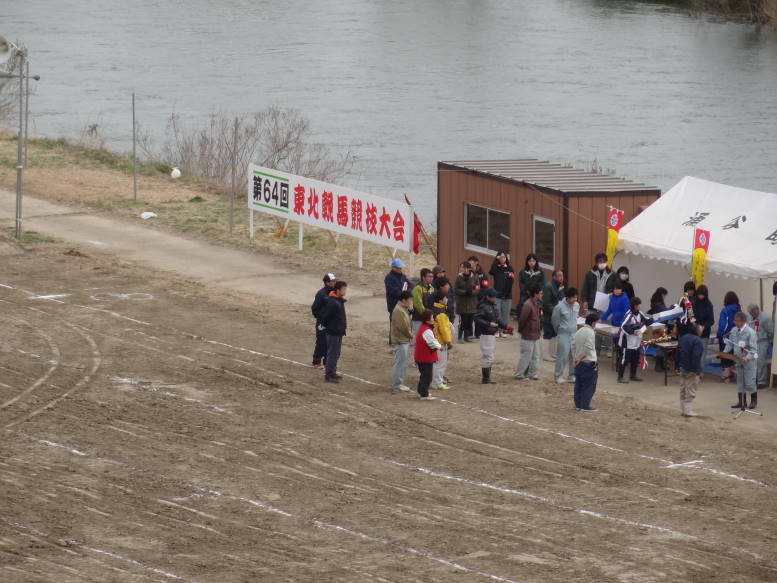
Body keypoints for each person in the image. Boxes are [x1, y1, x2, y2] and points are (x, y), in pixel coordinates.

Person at [580, 252, 616, 356]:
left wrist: (611, 295)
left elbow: (615, 289)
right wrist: (585, 300)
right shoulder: (590, 274)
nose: (602, 263)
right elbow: (585, 289)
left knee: (607, 328)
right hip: (592, 305)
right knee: (593, 329)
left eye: (604, 261)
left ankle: (609, 349)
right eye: (600, 262)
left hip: (606, 306)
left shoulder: (612, 274)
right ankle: (596, 348)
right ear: (596, 263)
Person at [725, 311, 759, 409]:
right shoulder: (734, 330)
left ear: (743, 321)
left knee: (749, 381)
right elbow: (730, 343)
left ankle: (753, 401)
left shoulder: (750, 332)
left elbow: (753, 350)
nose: (735, 322)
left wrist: (747, 358)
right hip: (738, 360)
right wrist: (724, 352)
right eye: (735, 320)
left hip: (749, 362)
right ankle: (741, 401)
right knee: (740, 381)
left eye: (737, 321)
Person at [474, 288, 506, 384]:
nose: (495, 298)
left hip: (491, 334)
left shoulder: (492, 306)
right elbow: (477, 318)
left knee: (489, 355)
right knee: (488, 355)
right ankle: (486, 378)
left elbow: (497, 319)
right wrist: (488, 324)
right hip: (486, 334)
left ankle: (487, 378)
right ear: (487, 296)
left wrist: (505, 326)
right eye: (493, 297)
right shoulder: (483, 306)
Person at [319, 281, 348, 383]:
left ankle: (332, 372)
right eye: (343, 289)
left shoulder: (338, 301)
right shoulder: (333, 302)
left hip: (338, 331)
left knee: (336, 353)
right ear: (338, 290)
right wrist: (329, 327)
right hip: (333, 332)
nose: (345, 291)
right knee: (332, 354)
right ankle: (329, 375)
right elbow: (326, 316)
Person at [617, 296, 650, 383]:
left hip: (636, 342)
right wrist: (632, 332)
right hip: (626, 341)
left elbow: (646, 320)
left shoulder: (639, 313)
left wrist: (656, 318)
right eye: (639, 305)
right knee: (624, 359)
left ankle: (633, 375)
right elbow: (623, 326)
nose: (640, 306)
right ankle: (620, 377)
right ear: (635, 305)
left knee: (635, 359)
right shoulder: (629, 314)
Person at [572, 313, 600, 412]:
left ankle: (578, 404)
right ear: (593, 323)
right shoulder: (590, 333)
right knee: (589, 385)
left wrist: (575, 359)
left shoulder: (579, 331)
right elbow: (588, 348)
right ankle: (584, 405)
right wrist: (579, 358)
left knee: (578, 384)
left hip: (579, 363)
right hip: (588, 362)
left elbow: (573, 345)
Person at [515, 284, 543, 380]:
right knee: (526, 355)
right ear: (535, 294)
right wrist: (521, 332)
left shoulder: (536, 304)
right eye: (540, 293)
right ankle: (519, 374)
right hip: (528, 334)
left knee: (535, 356)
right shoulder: (528, 304)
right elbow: (522, 320)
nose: (541, 295)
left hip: (535, 334)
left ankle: (531, 373)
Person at [552, 287, 579, 384]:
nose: (575, 300)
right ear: (568, 297)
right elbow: (555, 321)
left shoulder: (576, 305)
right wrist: (560, 330)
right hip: (563, 334)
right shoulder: (559, 307)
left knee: (574, 355)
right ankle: (558, 376)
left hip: (574, 334)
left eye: (576, 298)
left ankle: (572, 375)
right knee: (562, 355)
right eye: (573, 298)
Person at [389, 291, 414, 393]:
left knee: (403, 363)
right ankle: (397, 384)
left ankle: (400, 383)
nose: (411, 302)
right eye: (409, 300)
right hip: (401, 340)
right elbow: (403, 327)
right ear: (404, 300)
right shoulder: (399, 310)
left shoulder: (403, 309)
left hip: (404, 340)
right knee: (400, 363)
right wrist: (411, 335)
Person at [677, 324, 704, 417]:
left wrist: (677, 366)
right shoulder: (698, 341)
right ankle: (687, 411)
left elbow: (678, 352)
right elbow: (696, 356)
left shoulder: (683, 337)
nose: (702, 331)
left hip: (682, 367)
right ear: (697, 331)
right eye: (701, 330)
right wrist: (695, 370)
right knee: (690, 390)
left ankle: (683, 410)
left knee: (683, 389)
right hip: (691, 369)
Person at [414, 309, 441, 400]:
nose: (433, 319)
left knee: (424, 375)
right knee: (427, 375)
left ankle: (420, 391)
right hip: (425, 357)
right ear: (427, 319)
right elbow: (433, 344)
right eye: (432, 318)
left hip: (421, 356)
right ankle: (424, 394)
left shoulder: (423, 328)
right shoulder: (427, 330)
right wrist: (440, 346)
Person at [311, 273, 336, 369]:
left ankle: (327, 362)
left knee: (330, 342)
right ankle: (316, 361)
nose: (334, 283)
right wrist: (321, 319)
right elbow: (315, 308)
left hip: (332, 322)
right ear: (327, 282)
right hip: (322, 322)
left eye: (334, 281)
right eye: (332, 281)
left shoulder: (335, 292)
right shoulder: (321, 294)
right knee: (321, 341)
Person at [489, 251, 515, 337]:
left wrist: (505, 293)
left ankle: (504, 331)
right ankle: (496, 330)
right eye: (500, 257)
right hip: (497, 295)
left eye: (504, 257)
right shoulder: (496, 268)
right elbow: (491, 271)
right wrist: (496, 261)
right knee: (497, 314)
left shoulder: (510, 268)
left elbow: (511, 282)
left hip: (507, 295)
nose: (502, 259)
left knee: (505, 314)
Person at [431, 291, 454, 390]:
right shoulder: (441, 313)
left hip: (436, 340)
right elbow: (444, 329)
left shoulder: (436, 310)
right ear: (440, 300)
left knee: (437, 363)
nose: (447, 299)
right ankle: (437, 383)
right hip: (440, 342)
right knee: (440, 363)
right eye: (445, 298)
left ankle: (435, 381)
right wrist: (448, 342)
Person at [747, 304, 774, 388]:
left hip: (762, 342)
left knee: (761, 362)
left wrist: (769, 341)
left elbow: (771, 331)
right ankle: (755, 379)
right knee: (753, 362)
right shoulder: (749, 318)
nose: (751, 314)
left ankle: (762, 382)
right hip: (753, 342)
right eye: (750, 313)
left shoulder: (765, 318)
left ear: (757, 311)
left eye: (752, 313)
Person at [717, 291, 741, 383]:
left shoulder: (725, 310)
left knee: (725, 356)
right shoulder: (739, 310)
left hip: (726, 337)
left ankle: (727, 377)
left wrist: (721, 335)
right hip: (737, 336)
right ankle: (734, 376)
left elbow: (723, 325)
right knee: (735, 356)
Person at [541, 269, 565, 361]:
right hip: (549, 315)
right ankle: (545, 355)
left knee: (554, 334)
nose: (561, 278)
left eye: (562, 276)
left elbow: (562, 299)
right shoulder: (548, 286)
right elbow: (546, 303)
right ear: (554, 277)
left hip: (557, 315)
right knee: (548, 333)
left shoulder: (560, 286)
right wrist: (556, 312)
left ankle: (552, 353)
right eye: (559, 276)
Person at [691, 285, 715, 375]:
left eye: (703, 295)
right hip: (693, 332)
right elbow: (690, 317)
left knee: (702, 352)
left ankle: (699, 372)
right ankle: (693, 370)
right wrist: (696, 326)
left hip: (704, 333)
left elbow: (711, 320)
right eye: (699, 294)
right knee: (693, 352)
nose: (701, 296)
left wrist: (704, 326)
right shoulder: (692, 302)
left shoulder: (709, 304)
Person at [454, 261, 478, 343]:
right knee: (463, 321)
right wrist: (464, 292)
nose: (461, 269)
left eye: (463, 267)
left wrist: (472, 292)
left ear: (468, 268)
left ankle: (466, 337)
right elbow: (456, 289)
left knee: (469, 321)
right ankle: (460, 337)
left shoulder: (474, 277)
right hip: (462, 303)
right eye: (461, 267)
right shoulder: (459, 277)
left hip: (472, 302)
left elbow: (478, 288)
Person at [648, 286, 669, 372]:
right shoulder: (658, 304)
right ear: (661, 295)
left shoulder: (655, 302)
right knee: (661, 346)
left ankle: (661, 364)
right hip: (660, 327)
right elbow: (664, 312)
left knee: (661, 346)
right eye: (664, 295)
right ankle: (658, 365)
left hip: (658, 326)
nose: (665, 297)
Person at [518, 253, 544, 318]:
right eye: (530, 261)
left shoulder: (540, 271)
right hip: (526, 294)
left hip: (536, 294)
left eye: (533, 261)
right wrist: (526, 290)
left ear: (536, 261)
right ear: (527, 262)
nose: (531, 263)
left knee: (537, 310)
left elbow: (542, 283)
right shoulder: (523, 271)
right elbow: (521, 283)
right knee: (523, 307)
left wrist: (535, 291)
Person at [411, 268, 435, 336]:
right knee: (419, 338)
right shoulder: (417, 288)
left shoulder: (432, 288)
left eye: (432, 276)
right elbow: (418, 304)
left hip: (429, 318)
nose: (431, 278)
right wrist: (427, 316)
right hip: (419, 319)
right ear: (423, 277)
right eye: (429, 276)